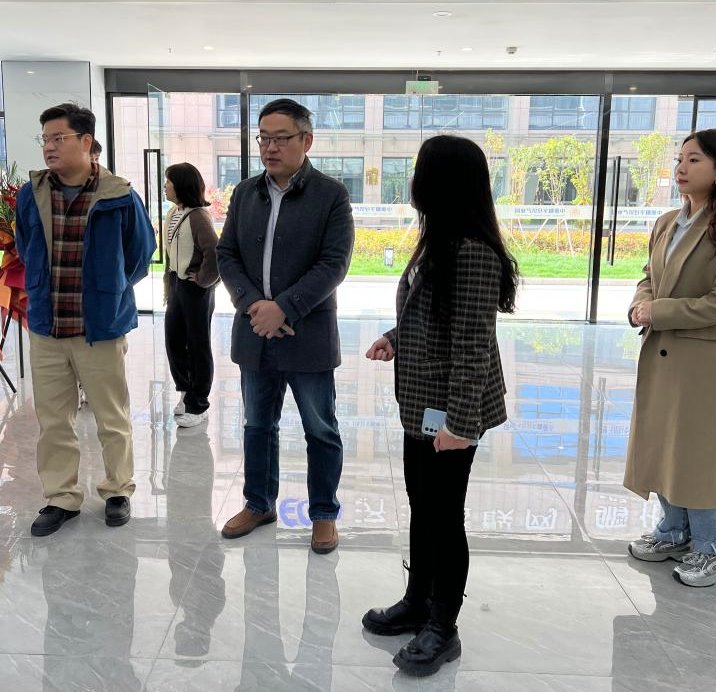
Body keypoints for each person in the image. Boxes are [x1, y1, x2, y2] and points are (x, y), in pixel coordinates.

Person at [361, 135, 518, 677]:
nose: (412, 180)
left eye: (420, 170)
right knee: (422, 505)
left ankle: (443, 626)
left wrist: (460, 424)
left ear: (442, 182)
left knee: (444, 516)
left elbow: (473, 346)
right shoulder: (439, 239)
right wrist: (394, 338)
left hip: (451, 414)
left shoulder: (472, 252)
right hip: (421, 406)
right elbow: (431, 316)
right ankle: (417, 601)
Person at [216, 98, 354, 554]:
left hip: (307, 335)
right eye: (263, 138)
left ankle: (323, 513)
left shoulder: (331, 195)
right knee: (258, 425)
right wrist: (254, 304)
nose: (270, 147)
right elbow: (226, 255)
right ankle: (258, 503)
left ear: (306, 140)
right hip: (255, 333)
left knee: (320, 428)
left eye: (281, 138)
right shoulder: (244, 193)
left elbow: (334, 264)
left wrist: (285, 308)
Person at [624, 128, 716, 587]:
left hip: (708, 362)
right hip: (664, 357)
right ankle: (675, 532)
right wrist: (640, 304)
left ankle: (715, 550)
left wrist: (659, 311)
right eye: (680, 159)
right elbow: (649, 276)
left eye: (694, 160)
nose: (681, 167)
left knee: (704, 454)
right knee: (667, 445)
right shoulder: (668, 222)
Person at [15, 102, 154, 537]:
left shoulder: (119, 195)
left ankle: (117, 490)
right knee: (53, 419)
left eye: (58, 138)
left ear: (86, 141)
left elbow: (140, 254)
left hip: (100, 327)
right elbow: (24, 246)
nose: (49, 147)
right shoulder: (32, 194)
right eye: (45, 139)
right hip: (48, 327)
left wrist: (109, 290)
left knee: (111, 416)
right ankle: (61, 497)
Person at [162, 162, 219, 427]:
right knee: (174, 339)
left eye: (169, 181)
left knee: (198, 344)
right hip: (176, 283)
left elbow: (214, 252)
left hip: (195, 288)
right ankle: (186, 391)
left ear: (181, 185)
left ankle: (199, 404)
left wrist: (204, 279)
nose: (165, 186)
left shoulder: (198, 216)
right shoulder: (174, 212)